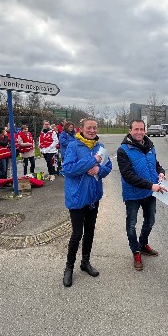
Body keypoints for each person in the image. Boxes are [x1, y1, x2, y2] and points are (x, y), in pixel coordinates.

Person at [60, 118, 112, 287]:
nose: (92, 130)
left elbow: (108, 166)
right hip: (76, 197)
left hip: (93, 196)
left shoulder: (100, 147)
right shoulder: (74, 146)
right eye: (89, 128)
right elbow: (67, 169)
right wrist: (91, 161)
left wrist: (99, 169)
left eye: (95, 128)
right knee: (77, 234)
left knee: (90, 231)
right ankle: (69, 268)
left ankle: (85, 262)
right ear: (80, 129)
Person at [117, 119, 166, 271]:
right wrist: (151, 185)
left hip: (150, 192)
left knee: (150, 221)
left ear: (145, 130)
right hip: (133, 194)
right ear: (130, 131)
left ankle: (143, 244)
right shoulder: (123, 150)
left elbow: (156, 164)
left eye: (141, 129)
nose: (139, 132)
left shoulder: (150, 146)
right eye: (136, 129)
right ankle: (135, 251)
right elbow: (128, 175)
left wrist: (161, 173)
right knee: (131, 224)